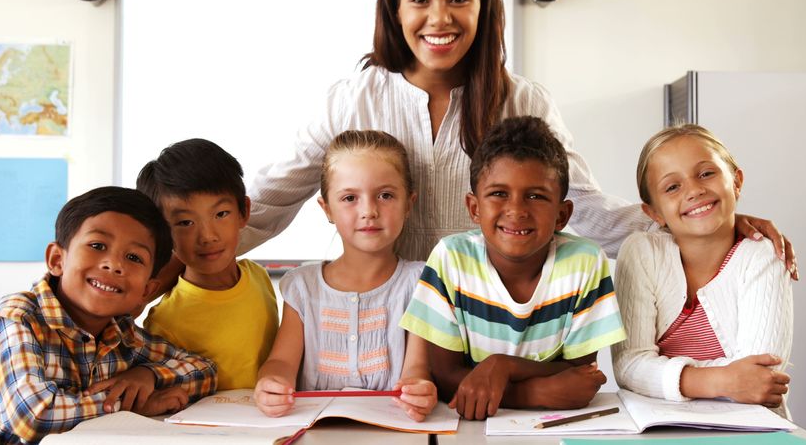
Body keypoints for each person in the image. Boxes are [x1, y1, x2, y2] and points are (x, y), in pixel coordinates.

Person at [229, 0, 798, 273]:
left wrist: (698, 221)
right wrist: (181, 243)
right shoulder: (351, 100)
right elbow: (271, 198)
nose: (439, 18)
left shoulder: (522, 100)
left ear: (484, 7)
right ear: (395, 9)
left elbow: (585, 207)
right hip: (388, 322)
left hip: (494, 325)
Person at [0, 187, 218, 444]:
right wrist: (131, 406)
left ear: (146, 290)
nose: (114, 264)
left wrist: (148, 375)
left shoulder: (123, 336)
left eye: (134, 258)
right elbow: (33, 415)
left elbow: (205, 371)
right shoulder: (19, 317)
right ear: (57, 259)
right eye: (98, 245)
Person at [400, 116, 626, 420]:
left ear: (562, 215)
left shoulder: (584, 263)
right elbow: (445, 376)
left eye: (536, 196)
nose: (517, 210)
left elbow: (580, 376)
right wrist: (534, 393)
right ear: (474, 208)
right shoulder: (450, 260)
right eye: (498, 194)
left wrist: (500, 366)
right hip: (465, 428)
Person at [253, 131, 438, 421]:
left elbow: (417, 369)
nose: (369, 211)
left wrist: (419, 390)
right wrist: (271, 384)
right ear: (327, 208)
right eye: (350, 198)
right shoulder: (303, 286)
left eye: (386, 195)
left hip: (392, 434)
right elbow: (280, 362)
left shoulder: (419, 283)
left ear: (409, 203)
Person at [611, 124, 793, 417]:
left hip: (749, 429)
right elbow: (629, 366)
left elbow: (760, 377)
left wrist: (663, 375)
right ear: (654, 213)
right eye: (672, 187)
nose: (694, 190)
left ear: (736, 182)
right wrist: (723, 379)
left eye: (706, 173)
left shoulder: (763, 255)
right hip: (658, 429)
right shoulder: (641, 252)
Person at [136, 138, 279, 390]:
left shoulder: (258, 277)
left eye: (221, 214)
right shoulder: (165, 323)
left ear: (244, 212)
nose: (208, 236)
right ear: (161, 233)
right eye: (185, 223)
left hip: (277, 423)